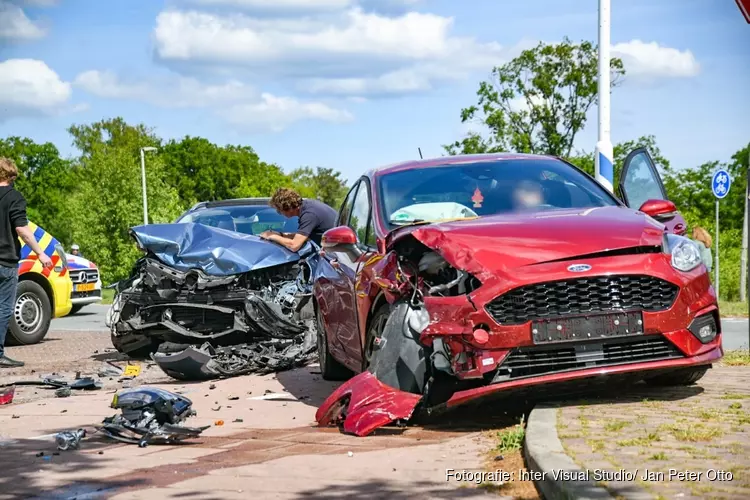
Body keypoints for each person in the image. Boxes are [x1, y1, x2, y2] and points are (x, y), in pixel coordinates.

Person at [0, 157, 53, 368]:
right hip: (5, 261)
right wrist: (41, 253)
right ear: (11, 176)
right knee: (3, 308)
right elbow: (21, 229)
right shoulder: (14, 197)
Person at [260, 188, 337, 251]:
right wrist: (281, 235)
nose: (280, 213)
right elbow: (305, 236)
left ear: (287, 208)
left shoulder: (309, 215)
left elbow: (294, 246)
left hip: (338, 255)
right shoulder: (308, 206)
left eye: (279, 211)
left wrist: (271, 236)